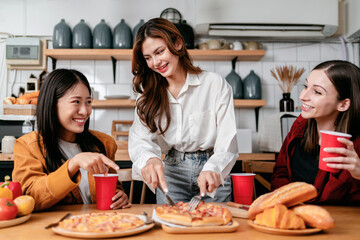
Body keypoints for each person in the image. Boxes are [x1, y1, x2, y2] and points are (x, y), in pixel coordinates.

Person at [129, 18, 238, 204]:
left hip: (212, 169)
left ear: (178, 44)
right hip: (171, 173)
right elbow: (139, 139)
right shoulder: (146, 98)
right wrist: (149, 160)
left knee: (215, 228)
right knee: (172, 228)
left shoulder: (214, 84)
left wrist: (214, 168)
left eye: (159, 52)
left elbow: (227, 138)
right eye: (148, 58)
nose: (155, 62)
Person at [12, 69, 131, 211]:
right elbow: (29, 198)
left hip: (97, 226)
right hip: (53, 229)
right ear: (52, 104)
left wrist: (119, 195)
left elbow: (112, 186)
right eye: (76, 102)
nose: (85, 111)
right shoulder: (27, 146)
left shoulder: (104, 143)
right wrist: (72, 165)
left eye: (88, 102)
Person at [271, 60, 360, 204]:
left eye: (317, 92)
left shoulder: (355, 145)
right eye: (306, 86)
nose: (303, 96)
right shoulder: (300, 126)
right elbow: (281, 171)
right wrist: (286, 199)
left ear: (343, 104)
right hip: (297, 217)